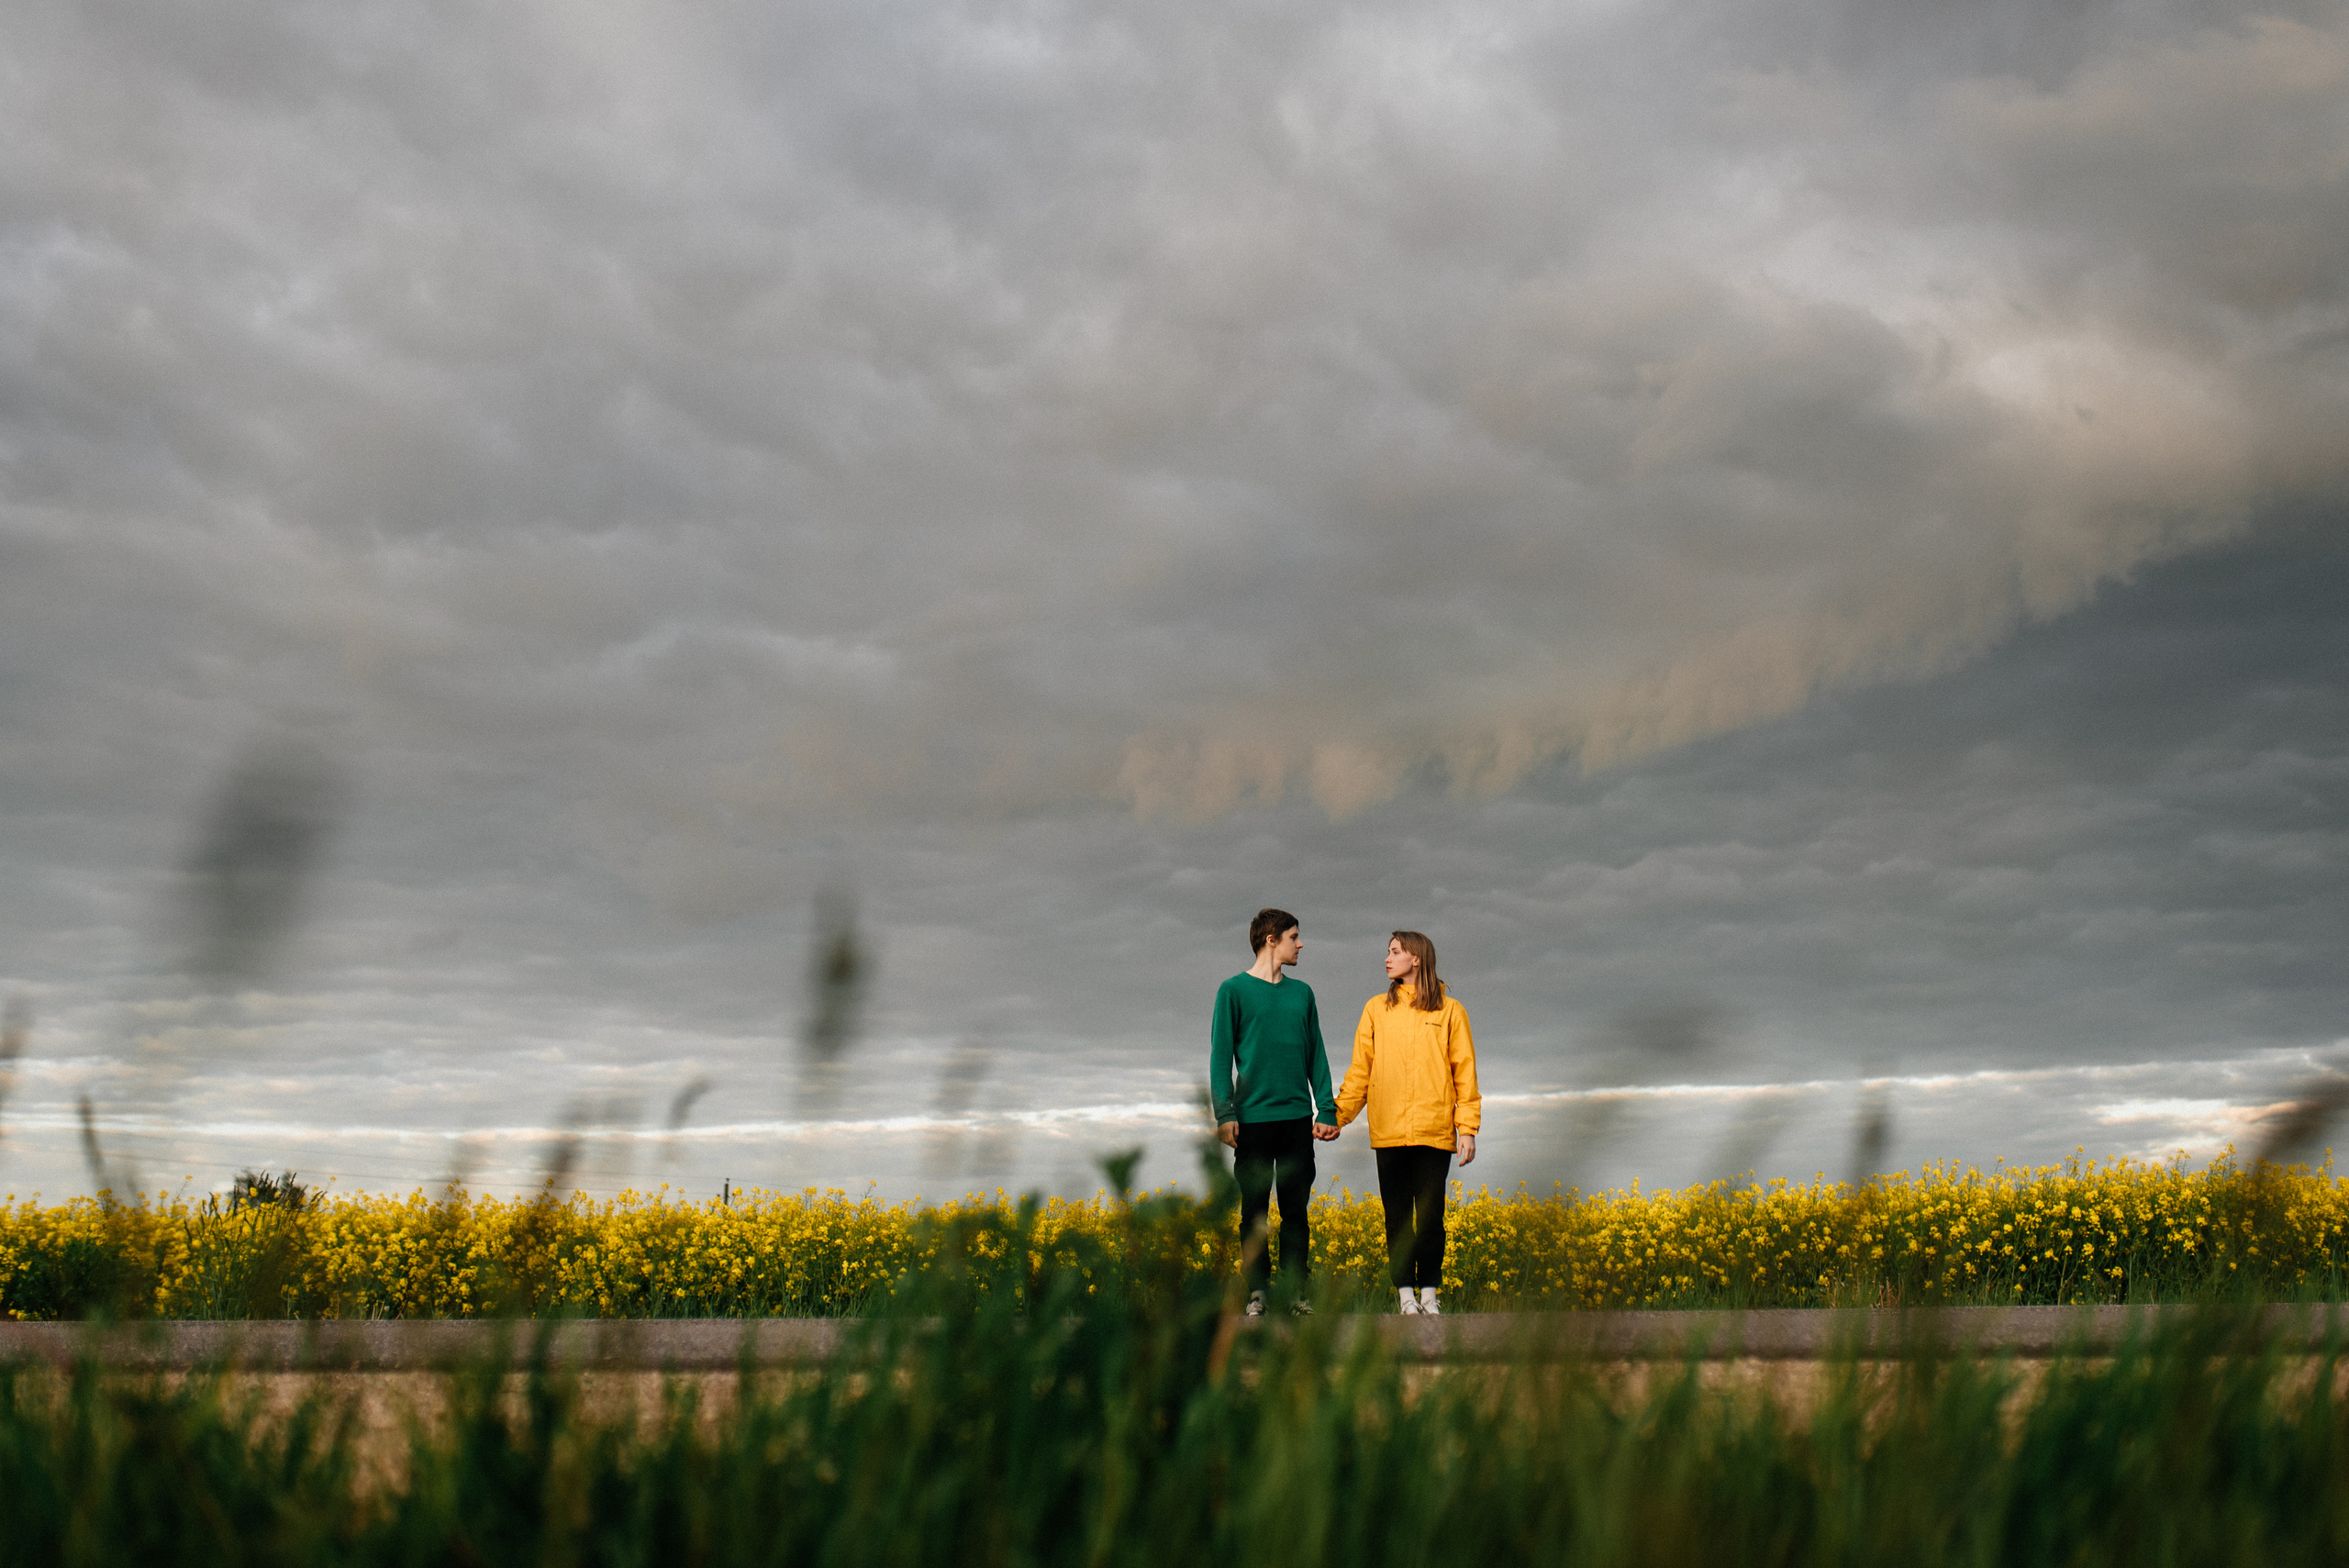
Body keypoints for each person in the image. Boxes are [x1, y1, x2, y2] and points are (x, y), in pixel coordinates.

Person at [1334, 930, 1480, 1316]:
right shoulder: (1375, 1010)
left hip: (1435, 1131)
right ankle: (1405, 1299)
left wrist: (1467, 1128)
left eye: (1395, 952)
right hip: (1389, 1131)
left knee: (1431, 1218)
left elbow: (1465, 1073)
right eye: (1388, 952)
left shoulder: (1451, 1011)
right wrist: (1337, 1116)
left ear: (1416, 959)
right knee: (1397, 1218)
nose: (1387, 958)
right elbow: (1360, 1071)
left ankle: (1430, 1296)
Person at [1209, 907, 1339, 1316]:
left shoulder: (1303, 994)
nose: (1300, 944)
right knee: (1254, 1211)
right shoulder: (1232, 991)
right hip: (1251, 1121)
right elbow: (1220, 1056)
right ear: (1271, 940)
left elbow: (1315, 1052)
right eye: (1294, 936)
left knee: (1296, 1210)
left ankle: (1296, 1295)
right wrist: (1224, 1112)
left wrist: (1327, 1108)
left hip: (1297, 1118)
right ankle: (1258, 1294)